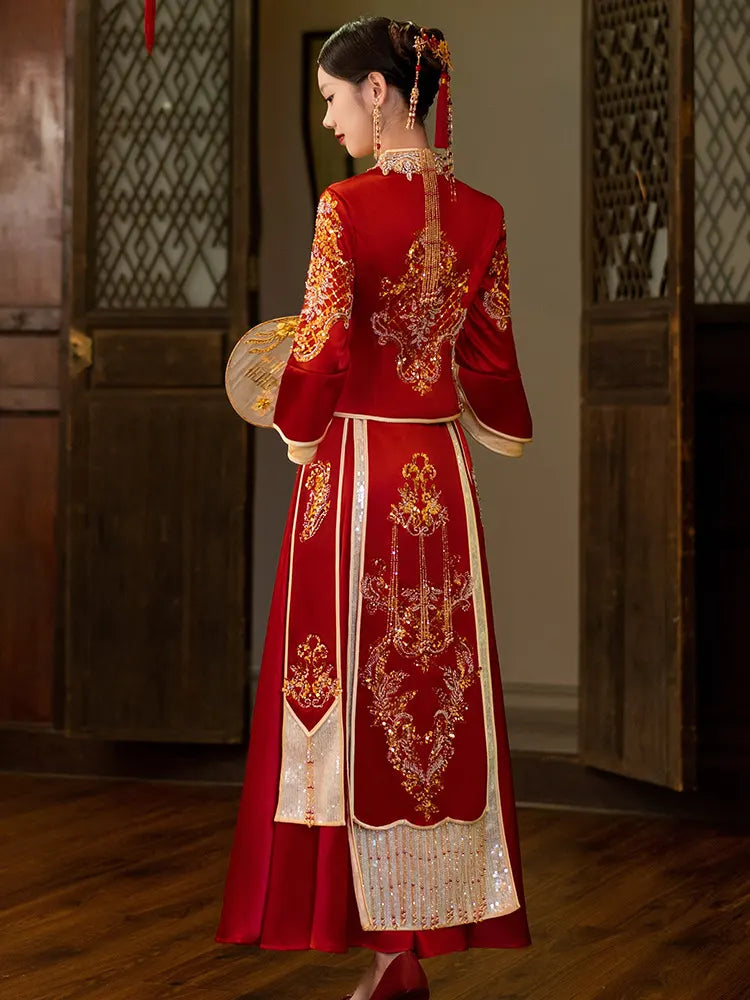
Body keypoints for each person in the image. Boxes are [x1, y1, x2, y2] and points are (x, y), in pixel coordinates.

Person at [216, 16, 533, 1000]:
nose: (328, 117)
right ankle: (404, 948)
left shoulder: (343, 207)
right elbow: (490, 362)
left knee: (348, 697)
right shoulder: (483, 214)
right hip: (440, 478)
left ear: (380, 91)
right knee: (432, 699)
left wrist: (296, 428)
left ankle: (380, 944)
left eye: (332, 96)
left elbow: (318, 352)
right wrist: (495, 426)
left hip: (354, 472)